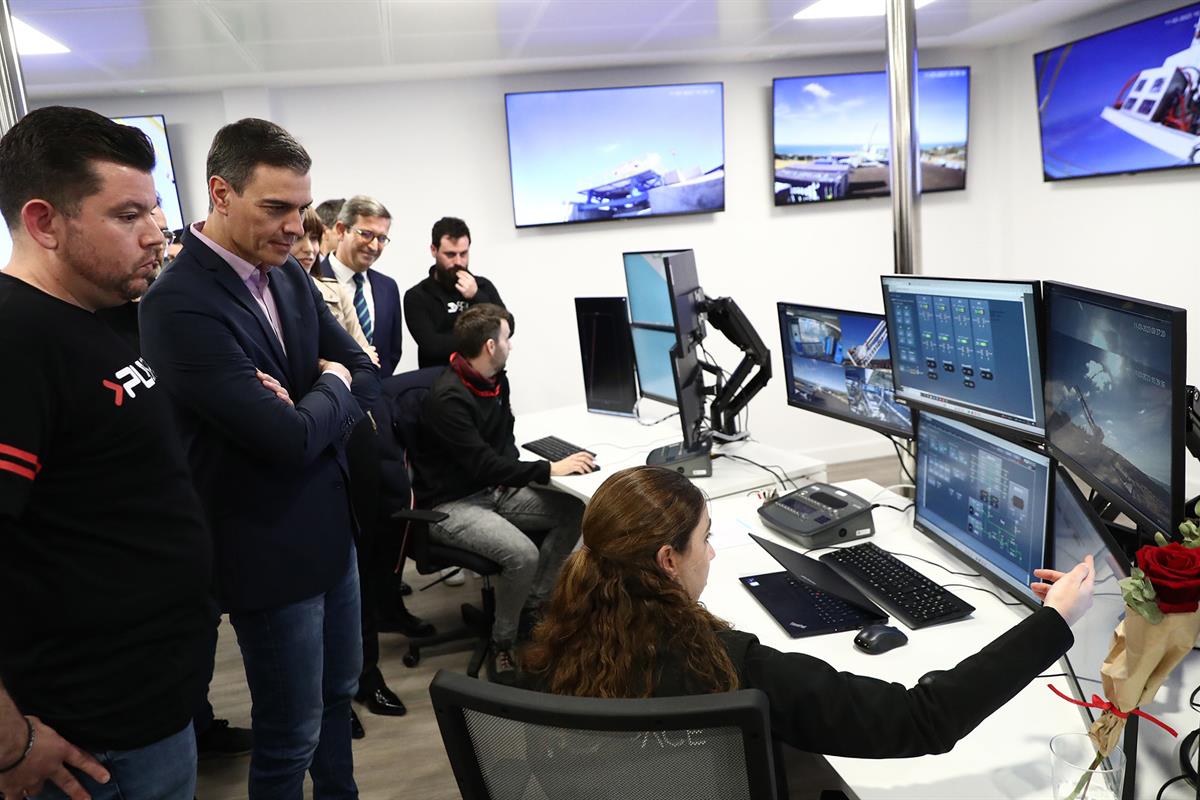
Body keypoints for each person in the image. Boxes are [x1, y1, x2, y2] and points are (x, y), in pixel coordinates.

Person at [523, 466, 1095, 757]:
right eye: (706, 539)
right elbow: (924, 718)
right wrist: (1055, 622)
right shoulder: (726, 667)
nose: (714, 552)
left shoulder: (561, 634)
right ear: (668, 560)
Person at [139, 118, 379, 799]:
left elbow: (366, 372)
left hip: (333, 533)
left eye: (302, 209)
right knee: (290, 731)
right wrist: (327, 387)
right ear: (220, 193)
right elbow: (290, 437)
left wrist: (315, 396)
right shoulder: (177, 305)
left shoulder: (291, 278)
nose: (295, 227)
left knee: (338, 702)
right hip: (265, 548)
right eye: (276, 208)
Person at [0, 106, 212, 800]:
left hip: (149, 710)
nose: (158, 234)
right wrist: (11, 744)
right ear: (44, 223)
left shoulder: (99, 316)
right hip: (88, 742)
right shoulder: (17, 341)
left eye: (154, 211)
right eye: (128, 216)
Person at [97, 199, 256, 762]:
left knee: (196, 645)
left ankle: (199, 726)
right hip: (103, 665)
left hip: (184, 543)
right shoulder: (34, 332)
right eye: (128, 219)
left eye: (158, 226)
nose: (154, 242)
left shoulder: (136, 316)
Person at [413, 303, 595, 684]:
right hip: (451, 505)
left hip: (494, 491)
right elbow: (483, 464)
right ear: (490, 346)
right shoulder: (448, 399)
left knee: (575, 511)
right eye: (507, 338)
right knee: (521, 555)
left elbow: (503, 448)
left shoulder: (495, 380)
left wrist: (533, 476)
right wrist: (548, 470)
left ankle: (533, 605)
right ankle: (503, 641)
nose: (511, 345)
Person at [318, 196, 404, 376]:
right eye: (366, 234)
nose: (374, 246)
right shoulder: (313, 281)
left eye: (381, 238)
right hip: (330, 395)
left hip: (379, 397)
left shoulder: (388, 287)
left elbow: (392, 352)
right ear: (341, 230)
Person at [404, 216, 505, 368]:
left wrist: (477, 297)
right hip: (439, 383)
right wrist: (480, 338)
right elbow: (433, 347)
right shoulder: (417, 296)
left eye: (463, 254)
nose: (458, 262)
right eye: (450, 254)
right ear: (434, 250)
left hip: (486, 381)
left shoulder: (483, 286)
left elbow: (507, 327)